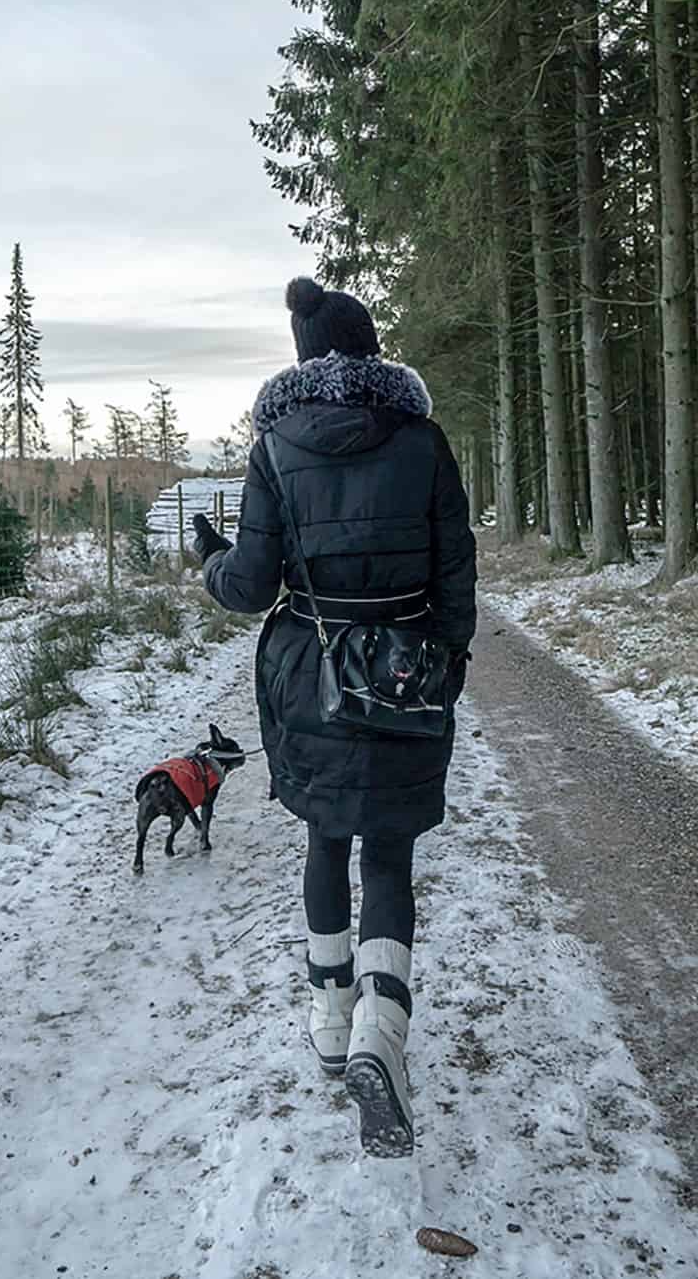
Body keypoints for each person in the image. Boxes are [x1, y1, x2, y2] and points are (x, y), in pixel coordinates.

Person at [195, 276, 477, 1158]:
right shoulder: (423, 441)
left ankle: (329, 1022)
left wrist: (209, 559)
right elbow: (457, 578)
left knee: (325, 839)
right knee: (388, 848)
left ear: (302, 358)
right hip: (404, 671)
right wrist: (444, 670)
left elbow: (248, 587)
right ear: (370, 348)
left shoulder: (275, 447)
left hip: (309, 672)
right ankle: (379, 1039)